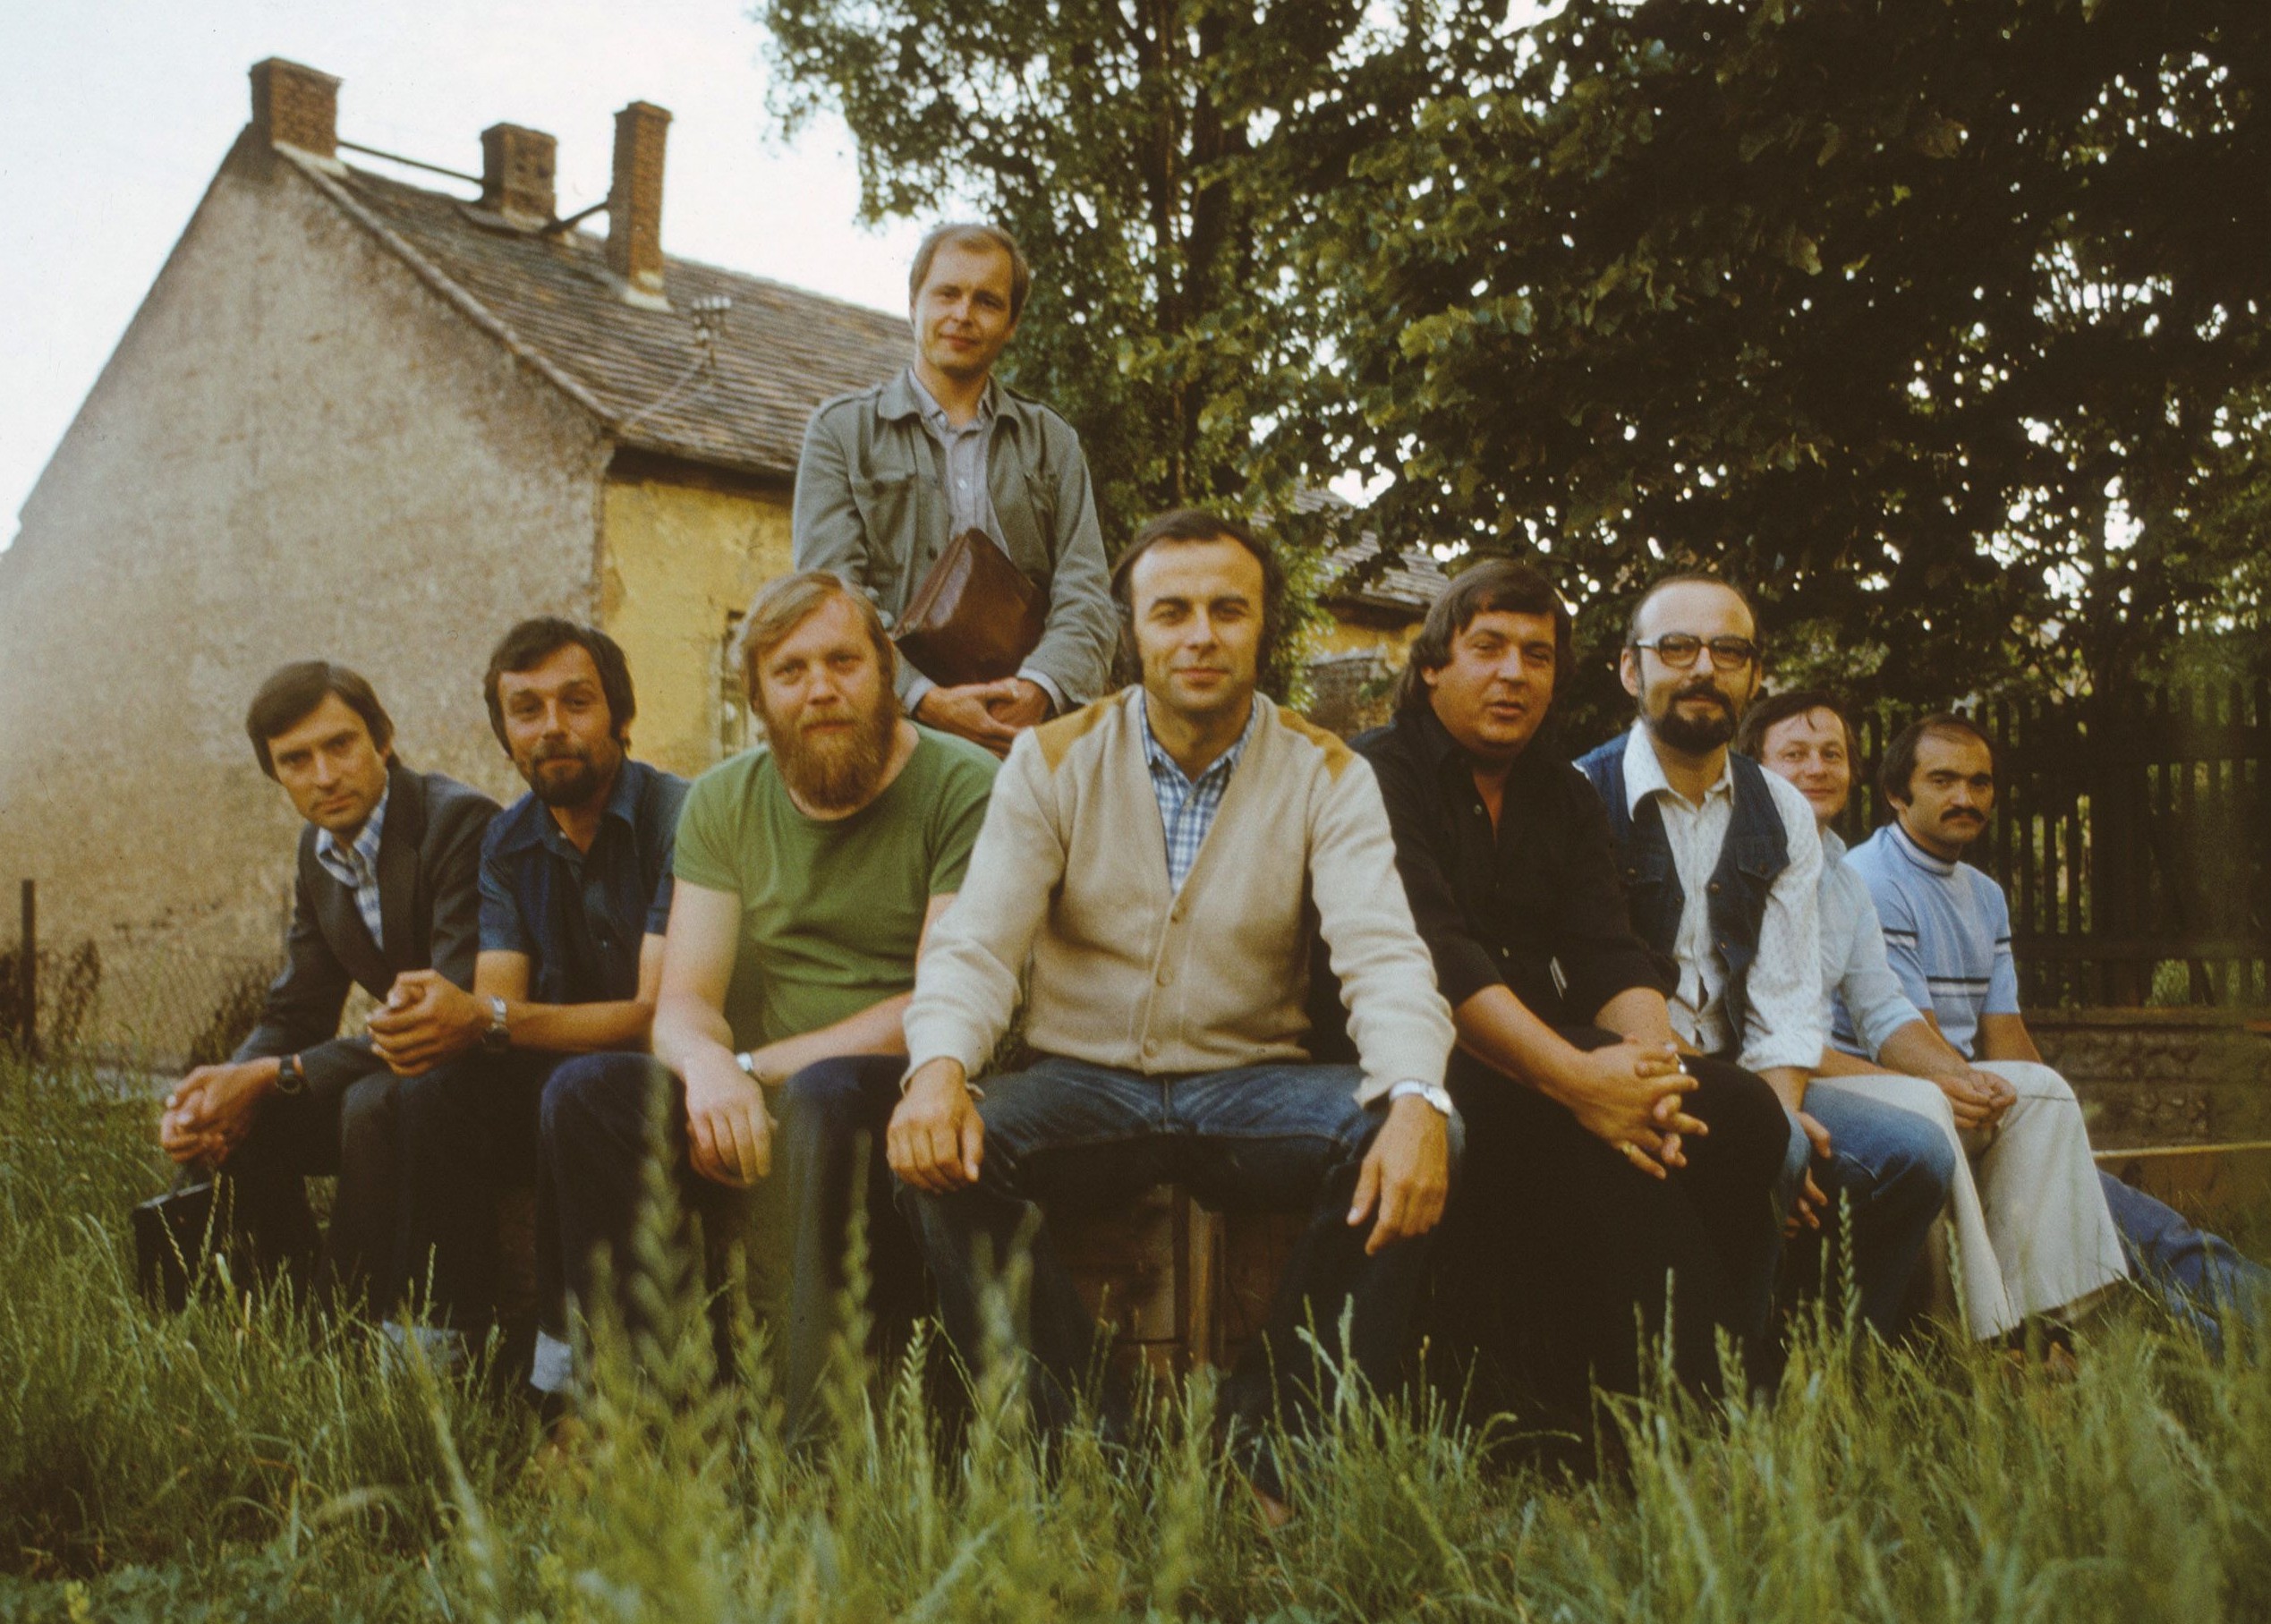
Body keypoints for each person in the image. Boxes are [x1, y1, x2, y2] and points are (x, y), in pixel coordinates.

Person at [890, 508, 1458, 1519]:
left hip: (1251, 1087)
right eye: (1173, 611)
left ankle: (1273, 1447)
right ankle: (1095, 1447)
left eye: (1228, 611)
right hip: (1084, 1083)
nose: (1200, 634)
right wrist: (937, 1069)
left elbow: (1383, 954)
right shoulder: (1052, 760)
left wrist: (1416, 1094)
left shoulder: (1329, 774)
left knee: (1422, 1131)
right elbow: (977, 945)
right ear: (1132, 631)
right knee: (941, 1156)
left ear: (1263, 628)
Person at [535, 573, 996, 1426]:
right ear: (757, 697)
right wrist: (710, 1069)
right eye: (790, 671)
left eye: (842, 661)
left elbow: (942, 997)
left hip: (915, 1080)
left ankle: (820, 1438)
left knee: (828, 1093)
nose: (820, 688)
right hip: (775, 1084)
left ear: (885, 671)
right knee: (589, 1094)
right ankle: (644, 1415)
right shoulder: (723, 799)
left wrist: (750, 1066)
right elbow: (685, 999)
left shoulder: (965, 783)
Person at [1352, 559, 1790, 1425]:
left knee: (1738, 1112)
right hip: (1408, 1056)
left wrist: (1651, 1072)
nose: (1514, 673)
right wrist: (1582, 1079)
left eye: (1538, 655)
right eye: (1489, 648)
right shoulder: (1375, 773)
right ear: (1433, 664)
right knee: (1598, 1117)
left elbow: (1609, 954)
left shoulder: (1563, 795)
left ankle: (1662, 1380)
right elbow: (1438, 958)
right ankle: (1690, 1414)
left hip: (1537, 1054)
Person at [1574, 574, 1954, 1340]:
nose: (1703, 668)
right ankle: (1733, 1375)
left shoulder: (1779, 809)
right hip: (1629, 1073)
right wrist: (1765, 1136)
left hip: (1752, 1074)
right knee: (1767, 1154)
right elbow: (1584, 981)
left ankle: (1831, 1361)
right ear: (1630, 668)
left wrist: (1777, 1118)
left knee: (1915, 1154)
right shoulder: (1582, 792)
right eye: (1676, 647)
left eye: (1728, 650)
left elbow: (1788, 996)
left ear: (1754, 674)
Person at [1845, 713, 2262, 1348]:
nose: (1965, 797)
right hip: (1918, 1108)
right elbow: (1910, 1041)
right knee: (2128, 1236)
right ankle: (2209, 1339)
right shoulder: (1874, 878)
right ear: (1897, 794)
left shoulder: (1985, 895)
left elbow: (2007, 1037)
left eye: (1980, 782)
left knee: (2149, 1227)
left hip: (1979, 1104)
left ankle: (2232, 1328)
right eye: (1943, 781)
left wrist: (2062, 1136)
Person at [344, 619, 686, 1373]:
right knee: (433, 1090)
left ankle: (583, 1380)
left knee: (578, 1086)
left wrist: (485, 1018)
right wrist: (435, 1016)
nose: (552, 727)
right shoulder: (507, 838)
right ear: (505, 737)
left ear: (620, 715)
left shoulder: (679, 817)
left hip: (677, 1076)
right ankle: (438, 1355)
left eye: (576, 702)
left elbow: (655, 1014)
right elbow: (497, 1013)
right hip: (564, 1078)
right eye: (526, 710)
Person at [1740, 692, 2127, 1340]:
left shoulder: (1843, 879)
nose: (1817, 767)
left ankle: (2054, 1322)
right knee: (1924, 1107)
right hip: (1768, 1077)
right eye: (1795, 754)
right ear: (1753, 769)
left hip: (1828, 1072)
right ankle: (1976, 1334)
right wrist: (1928, 1086)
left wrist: (1961, 1075)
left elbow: (1884, 1009)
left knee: (2040, 1092)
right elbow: (1763, 1030)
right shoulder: (1742, 867)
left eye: (1832, 753)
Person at [157, 662, 497, 1314]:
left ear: (383, 740)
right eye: (295, 760)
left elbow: (445, 1013)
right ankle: (272, 1310)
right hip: (406, 1067)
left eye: (340, 745)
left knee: (370, 1104)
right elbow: (296, 1008)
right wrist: (217, 1094)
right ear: (276, 774)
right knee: (247, 1115)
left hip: (486, 1067)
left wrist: (273, 1074)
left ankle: (341, 1324)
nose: (323, 775)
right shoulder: (316, 851)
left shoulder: (458, 822)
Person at [793, 221, 1117, 756]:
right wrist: (922, 698)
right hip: (893, 739)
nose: (963, 314)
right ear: (913, 304)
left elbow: (1087, 594)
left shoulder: (1052, 442)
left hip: (1028, 740)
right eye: (947, 293)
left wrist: (1039, 689)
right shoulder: (842, 433)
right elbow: (832, 596)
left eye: (987, 301)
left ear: (1011, 323)